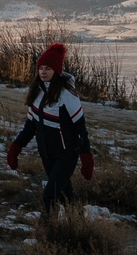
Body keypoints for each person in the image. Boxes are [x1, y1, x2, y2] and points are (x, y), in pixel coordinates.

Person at [5, 42, 94, 215]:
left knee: (49, 196)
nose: (44, 72)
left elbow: (80, 128)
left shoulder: (66, 94)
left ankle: (49, 232)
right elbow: (30, 127)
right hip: (46, 154)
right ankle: (77, 227)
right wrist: (15, 148)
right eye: (41, 68)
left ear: (56, 71)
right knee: (65, 195)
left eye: (48, 69)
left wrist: (86, 157)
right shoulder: (36, 93)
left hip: (66, 154)